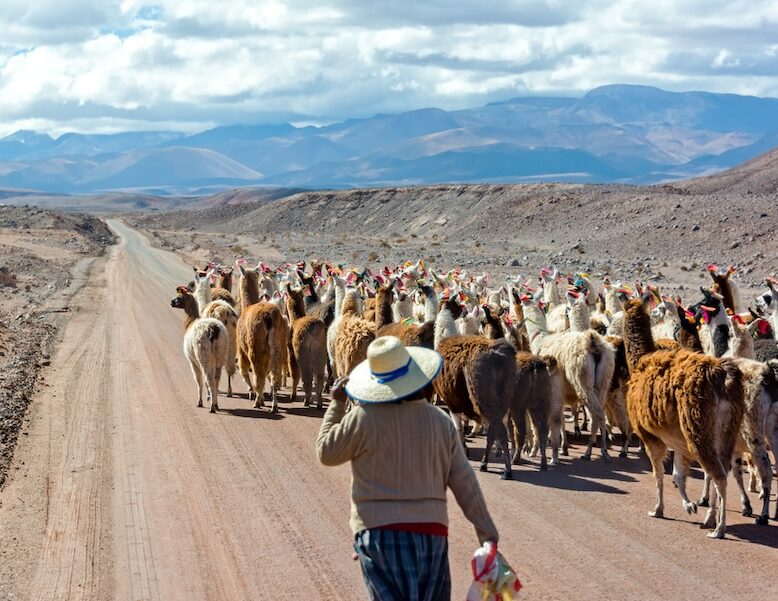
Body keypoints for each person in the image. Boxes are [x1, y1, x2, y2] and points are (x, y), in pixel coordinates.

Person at [316, 336, 499, 601]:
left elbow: (326, 452)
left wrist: (337, 404)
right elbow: (465, 483)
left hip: (377, 536)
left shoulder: (363, 420)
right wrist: (487, 534)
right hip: (431, 535)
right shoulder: (440, 423)